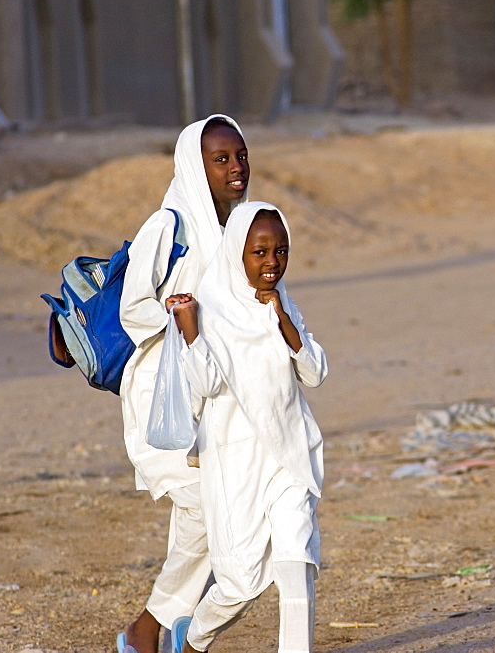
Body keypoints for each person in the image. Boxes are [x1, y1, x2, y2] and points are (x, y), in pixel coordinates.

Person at [167, 202, 327, 653]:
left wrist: (285, 321)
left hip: (290, 458)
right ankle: (193, 638)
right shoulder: (208, 310)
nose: (271, 263)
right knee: (240, 585)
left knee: (297, 569)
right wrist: (191, 331)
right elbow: (206, 384)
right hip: (235, 462)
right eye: (259, 253)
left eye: (281, 251)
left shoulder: (282, 302)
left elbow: (313, 374)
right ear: (238, 253)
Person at [116, 114, 250, 653]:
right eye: (221, 159)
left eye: (240, 156)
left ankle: (162, 634)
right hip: (160, 399)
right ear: (196, 167)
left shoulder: (243, 229)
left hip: (215, 396)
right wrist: (179, 316)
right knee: (200, 505)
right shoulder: (167, 227)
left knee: (226, 514)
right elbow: (132, 309)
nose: (235, 169)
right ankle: (150, 630)